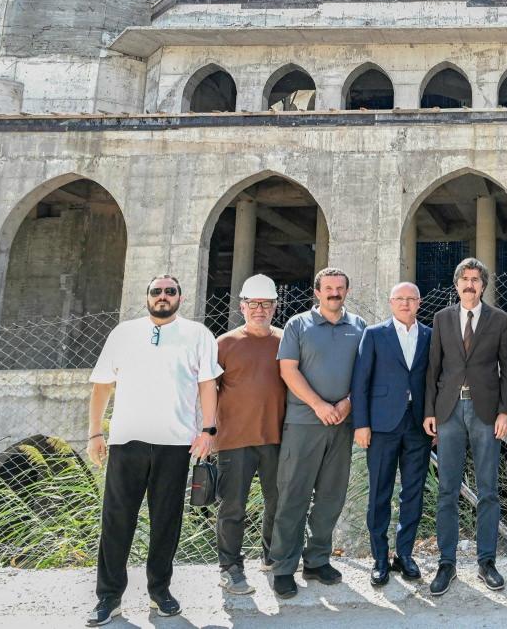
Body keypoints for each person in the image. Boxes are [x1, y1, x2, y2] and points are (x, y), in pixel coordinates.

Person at [85, 275, 220, 627]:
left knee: (166, 522)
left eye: (170, 292)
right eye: (156, 291)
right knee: (116, 521)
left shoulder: (198, 335)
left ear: (180, 297)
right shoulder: (123, 333)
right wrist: (94, 433)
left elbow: (208, 385)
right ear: (147, 297)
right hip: (126, 442)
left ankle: (160, 591)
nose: (163, 296)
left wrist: (208, 430)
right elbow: (101, 386)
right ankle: (108, 598)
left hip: (175, 444)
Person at [270, 267, 366, 599]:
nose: (334, 293)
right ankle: (283, 566)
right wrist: (319, 405)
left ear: (346, 291)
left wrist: (348, 404)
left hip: (342, 424)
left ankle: (317, 560)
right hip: (304, 423)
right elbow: (288, 370)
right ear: (317, 292)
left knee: (331, 496)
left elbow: (364, 373)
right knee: (294, 495)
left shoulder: (359, 327)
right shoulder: (298, 325)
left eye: (340, 288)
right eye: (328, 288)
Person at [423, 258, 507, 595]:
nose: (470, 285)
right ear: (456, 283)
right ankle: (446, 564)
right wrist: (429, 410)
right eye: (464, 278)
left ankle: (486, 561)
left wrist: (506, 412)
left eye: (476, 279)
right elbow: (433, 368)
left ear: (484, 285)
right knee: (447, 489)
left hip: (486, 413)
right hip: (448, 412)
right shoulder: (441, 319)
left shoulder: (501, 320)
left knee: (488, 489)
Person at [352, 282, 433, 587]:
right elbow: (360, 381)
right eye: (400, 299)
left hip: (417, 425)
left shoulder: (429, 335)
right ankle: (379, 558)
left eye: (411, 298)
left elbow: (433, 380)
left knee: (413, 491)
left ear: (419, 302)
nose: (405, 303)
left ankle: (405, 554)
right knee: (380, 492)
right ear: (390, 302)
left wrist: (431, 416)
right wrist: (361, 424)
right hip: (382, 425)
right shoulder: (374, 334)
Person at [215, 274, 286, 596]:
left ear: (275, 306)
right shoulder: (224, 344)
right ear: (243, 306)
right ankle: (230, 568)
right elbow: (206, 391)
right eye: (253, 304)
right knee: (233, 507)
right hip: (234, 440)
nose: (260, 309)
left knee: (278, 501)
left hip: (275, 439)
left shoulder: (286, 341)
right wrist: (205, 431)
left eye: (266, 304)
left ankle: (271, 558)